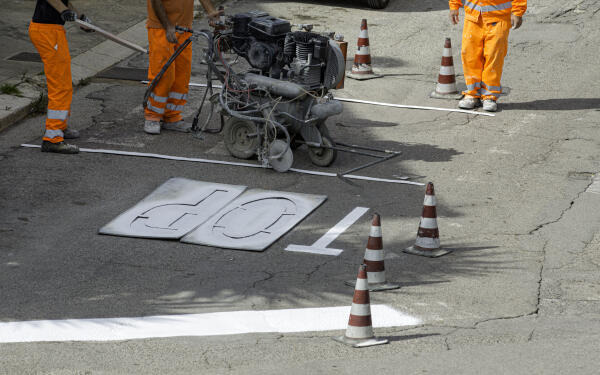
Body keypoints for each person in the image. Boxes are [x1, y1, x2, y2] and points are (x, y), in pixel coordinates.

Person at [29, 0, 93, 154]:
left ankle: (60, 126)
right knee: (60, 86)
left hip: (52, 30)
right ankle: (52, 138)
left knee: (64, 83)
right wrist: (64, 11)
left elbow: (64, 1)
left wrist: (79, 17)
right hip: (47, 32)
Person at [449, 0, 527, 112]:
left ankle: (489, 96)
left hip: (498, 19)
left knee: (494, 58)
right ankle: (472, 94)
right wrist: (454, 6)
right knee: (470, 56)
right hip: (473, 18)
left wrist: (517, 13)